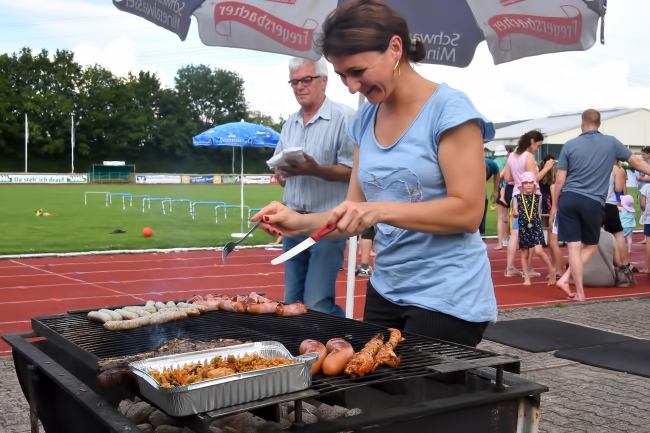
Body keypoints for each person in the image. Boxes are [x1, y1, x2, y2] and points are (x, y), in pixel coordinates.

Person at [252, 0, 496, 348]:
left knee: (418, 399)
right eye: (341, 76)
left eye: (358, 71)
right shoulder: (365, 120)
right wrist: (298, 221)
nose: (351, 87)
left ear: (395, 48)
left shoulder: (449, 110)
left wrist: (379, 210)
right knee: (373, 392)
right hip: (386, 288)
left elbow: (468, 213)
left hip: (447, 295)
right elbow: (352, 212)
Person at [271, 56, 356, 317]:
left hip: (328, 225)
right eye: (294, 82)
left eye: (306, 80)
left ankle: (341, 342)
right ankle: (302, 349)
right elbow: (282, 177)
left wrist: (314, 169)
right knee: (292, 303)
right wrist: (283, 172)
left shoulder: (345, 118)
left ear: (324, 81)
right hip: (293, 221)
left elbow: (353, 172)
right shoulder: (290, 123)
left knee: (318, 302)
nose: (300, 87)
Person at [552, 109, 650, 302]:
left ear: (582, 123)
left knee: (573, 247)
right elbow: (637, 163)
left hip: (569, 199)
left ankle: (574, 287)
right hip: (592, 201)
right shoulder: (611, 142)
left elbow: (560, 180)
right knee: (590, 246)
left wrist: (555, 205)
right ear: (599, 124)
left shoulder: (570, 145)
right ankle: (571, 283)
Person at [503, 131, 555, 277]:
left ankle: (510, 267)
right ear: (532, 141)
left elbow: (507, 178)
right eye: (538, 145)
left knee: (515, 232)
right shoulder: (528, 156)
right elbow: (534, 178)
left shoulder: (512, 156)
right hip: (531, 198)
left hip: (516, 195)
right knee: (532, 230)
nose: (538, 148)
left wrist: (519, 179)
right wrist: (546, 168)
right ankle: (529, 268)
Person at [512, 172, 555, 286]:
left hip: (535, 226)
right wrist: (515, 212)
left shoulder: (538, 197)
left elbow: (537, 211)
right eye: (526, 183)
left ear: (534, 184)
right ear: (522, 185)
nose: (528, 185)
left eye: (531, 183)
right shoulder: (517, 198)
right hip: (524, 227)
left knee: (539, 251)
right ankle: (526, 277)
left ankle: (552, 271)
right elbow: (515, 211)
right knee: (525, 254)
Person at [493, 145, 511, 249]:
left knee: (500, 218)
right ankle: (512, 240)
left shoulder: (494, 161)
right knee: (512, 216)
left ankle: (500, 243)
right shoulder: (508, 160)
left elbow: (496, 176)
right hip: (511, 186)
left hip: (499, 188)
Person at [481, 158, 500, 235]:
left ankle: (480, 231)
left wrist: (495, 190)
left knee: (483, 204)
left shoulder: (492, 165)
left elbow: (497, 173)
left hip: (481, 186)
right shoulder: (470, 166)